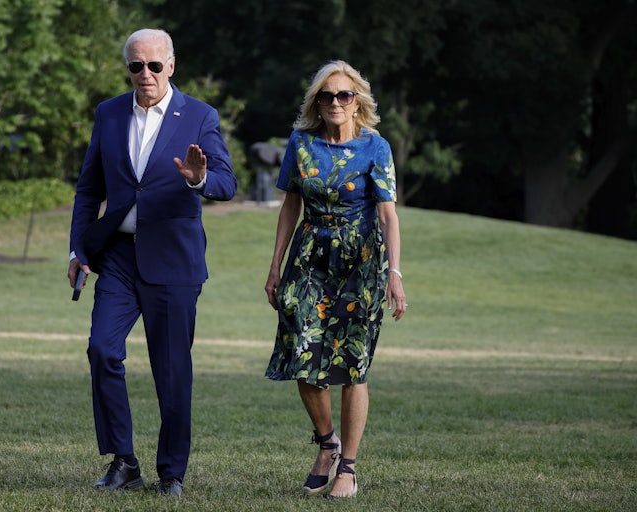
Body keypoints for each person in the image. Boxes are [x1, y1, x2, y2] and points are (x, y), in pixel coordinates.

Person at [67, 28, 237, 497]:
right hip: (118, 257)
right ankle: (123, 461)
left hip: (174, 262)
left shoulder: (199, 115)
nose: (145, 74)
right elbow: (88, 189)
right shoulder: (109, 112)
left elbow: (227, 182)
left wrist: (200, 180)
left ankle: (172, 474)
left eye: (154, 65)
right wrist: (78, 250)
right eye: (136, 66)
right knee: (103, 349)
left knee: (172, 371)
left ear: (171, 66)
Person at [264, 60, 407, 500]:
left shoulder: (375, 147)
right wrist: (275, 266)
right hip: (309, 258)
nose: (336, 103)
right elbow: (290, 206)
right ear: (317, 103)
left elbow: (387, 215)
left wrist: (395, 275)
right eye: (327, 96)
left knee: (352, 364)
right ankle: (327, 443)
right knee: (303, 355)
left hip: (361, 263)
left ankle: (347, 466)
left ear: (357, 100)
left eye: (345, 95)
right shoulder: (301, 144)